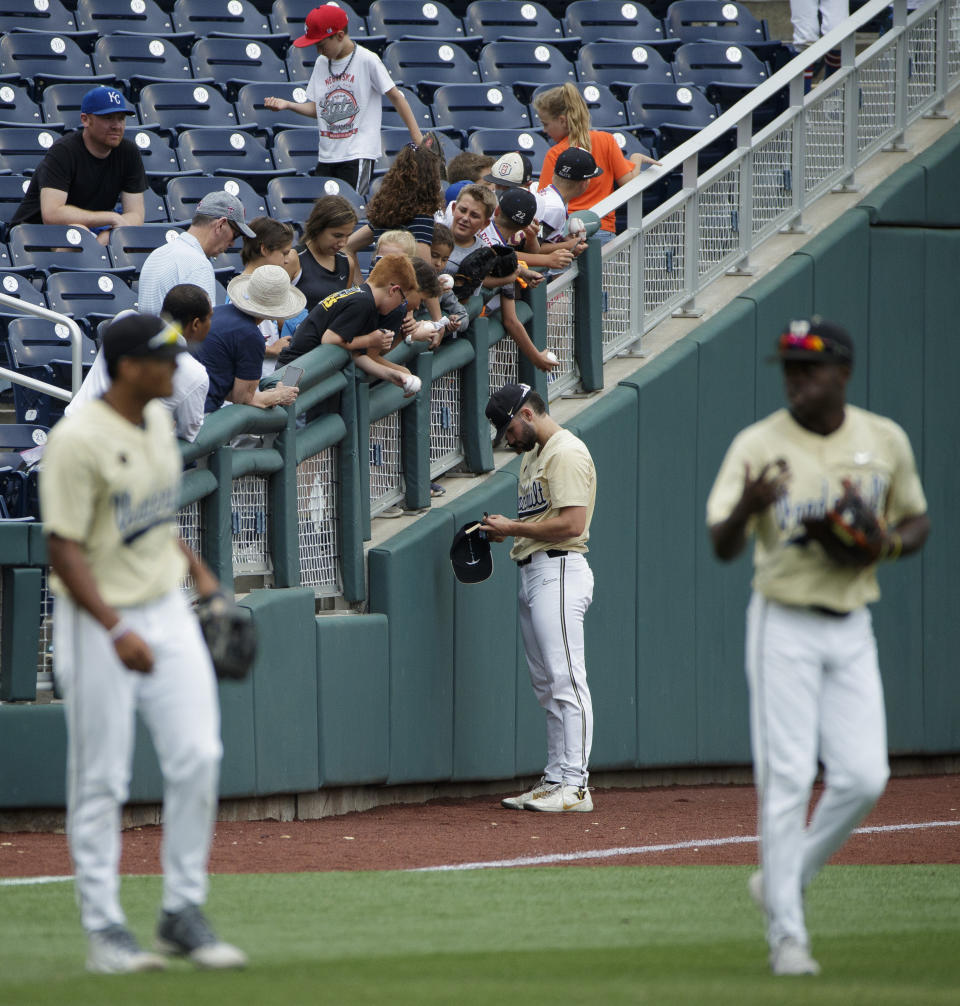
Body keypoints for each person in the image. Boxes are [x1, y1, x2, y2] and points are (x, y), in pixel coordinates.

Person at [706, 318, 930, 976]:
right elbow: (722, 545)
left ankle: (783, 876)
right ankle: (787, 936)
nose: (796, 380)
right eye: (789, 368)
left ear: (843, 374)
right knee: (789, 779)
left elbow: (917, 519)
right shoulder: (757, 443)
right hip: (784, 622)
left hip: (853, 620)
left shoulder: (882, 438)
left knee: (865, 776)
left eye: (809, 369)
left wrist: (885, 543)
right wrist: (748, 506)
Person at [40, 312, 247, 974]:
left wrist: (205, 578)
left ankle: (181, 910)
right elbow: (63, 548)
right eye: (164, 358)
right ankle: (104, 928)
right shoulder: (75, 440)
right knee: (101, 775)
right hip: (97, 615)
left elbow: (158, 518)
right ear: (129, 368)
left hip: (165, 604)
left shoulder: (158, 419)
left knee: (198, 753)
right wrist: (115, 628)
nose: (178, 366)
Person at [482, 383, 597, 813]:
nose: (507, 440)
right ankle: (555, 778)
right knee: (548, 685)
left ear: (527, 414)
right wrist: (503, 531)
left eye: (508, 429)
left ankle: (577, 785)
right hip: (533, 571)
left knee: (567, 678)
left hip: (561, 569)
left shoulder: (565, 452)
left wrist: (511, 528)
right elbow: (542, 520)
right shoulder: (534, 456)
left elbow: (571, 524)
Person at [263, 4, 423, 198]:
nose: (319, 51)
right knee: (324, 216)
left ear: (339, 35)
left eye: (322, 45)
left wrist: (418, 139)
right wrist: (288, 105)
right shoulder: (322, 63)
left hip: (357, 154)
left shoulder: (367, 60)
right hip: (327, 155)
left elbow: (397, 98)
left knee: (349, 211)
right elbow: (319, 110)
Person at [65, 285, 213, 442]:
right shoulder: (195, 373)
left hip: (74, 425)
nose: (173, 367)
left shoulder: (125, 320)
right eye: (210, 317)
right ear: (196, 324)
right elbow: (187, 433)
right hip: (112, 449)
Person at [12, 85, 146, 246]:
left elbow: (136, 214)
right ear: (85, 119)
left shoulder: (128, 152)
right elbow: (52, 214)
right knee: (77, 234)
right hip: (36, 235)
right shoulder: (63, 151)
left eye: (121, 118)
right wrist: (109, 218)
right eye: (108, 117)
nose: (116, 125)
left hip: (91, 230)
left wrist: (110, 235)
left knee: (127, 239)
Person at [277, 253, 418, 395]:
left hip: (303, 366)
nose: (400, 305)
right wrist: (370, 340)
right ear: (393, 290)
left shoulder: (365, 298)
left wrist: (394, 375)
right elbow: (330, 339)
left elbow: (356, 355)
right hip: (294, 367)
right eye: (402, 300)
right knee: (283, 408)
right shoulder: (364, 302)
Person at [534, 83, 659, 239]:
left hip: (566, 232)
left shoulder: (555, 153)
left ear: (562, 120)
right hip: (602, 229)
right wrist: (636, 159)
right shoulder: (606, 140)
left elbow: (544, 201)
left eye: (546, 124)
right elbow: (629, 184)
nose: (544, 130)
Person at [198, 265, 305, 412]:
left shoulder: (217, 312)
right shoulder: (250, 335)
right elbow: (243, 399)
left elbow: (226, 387)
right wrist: (280, 395)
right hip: (202, 415)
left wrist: (269, 394)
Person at [138, 191, 255, 314]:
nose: (232, 244)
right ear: (220, 225)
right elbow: (202, 329)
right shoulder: (198, 265)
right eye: (235, 235)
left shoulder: (158, 253)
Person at [346, 142, 445, 261]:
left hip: (376, 278)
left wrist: (360, 280)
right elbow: (423, 270)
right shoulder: (422, 219)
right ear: (432, 180)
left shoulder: (385, 215)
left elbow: (348, 247)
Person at [233, 217, 298, 375]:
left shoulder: (267, 285)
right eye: (283, 253)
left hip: (267, 374)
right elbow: (238, 342)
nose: (287, 260)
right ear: (264, 250)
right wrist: (272, 349)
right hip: (252, 380)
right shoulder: (240, 292)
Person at [295, 194, 360, 313]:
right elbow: (276, 312)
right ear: (317, 228)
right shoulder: (294, 259)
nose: (343, 243)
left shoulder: (347, 262)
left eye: (348, 236)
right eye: (337, 235)